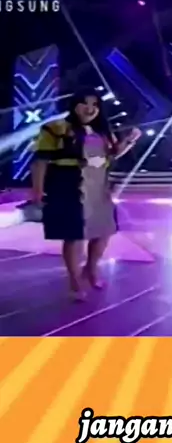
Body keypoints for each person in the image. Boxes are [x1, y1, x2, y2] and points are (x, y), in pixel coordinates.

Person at [30, 91, 141, 300]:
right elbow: (40, 162)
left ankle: (91, 268)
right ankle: (74, 281)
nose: (90, 109)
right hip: (67, 185)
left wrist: (129, 141)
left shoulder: (102, 131)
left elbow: (112, 154)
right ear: (74, 106)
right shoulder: (55, 128)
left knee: (104, 231)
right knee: (74, 235)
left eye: (95, 105)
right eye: (84, 104)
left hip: (98, 185)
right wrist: (37, 191)